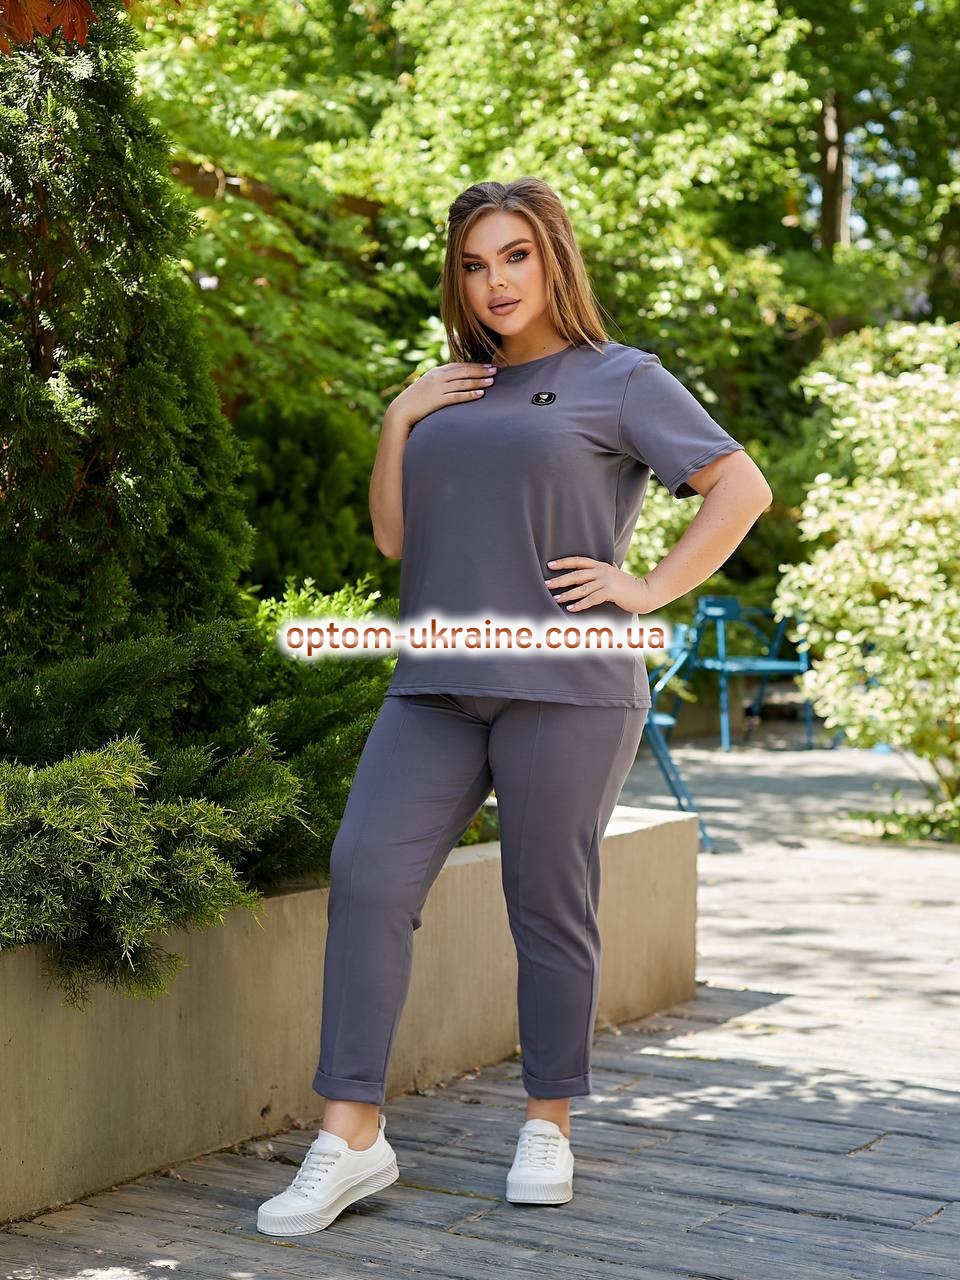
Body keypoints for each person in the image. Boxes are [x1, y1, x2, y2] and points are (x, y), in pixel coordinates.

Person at [258, 177, 773, 1236]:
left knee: (547, 900)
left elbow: (741, 488)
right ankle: (351, 1136)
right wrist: (400, 416)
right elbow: (394, 539)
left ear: (553, 260)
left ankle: (548, 1122)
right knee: (366, 872)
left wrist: (647, 588)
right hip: (436, 685)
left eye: (515, 256)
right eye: (474, 264)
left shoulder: (622, 378)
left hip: (569, 687)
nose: (494, 281)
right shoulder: (449, 390)